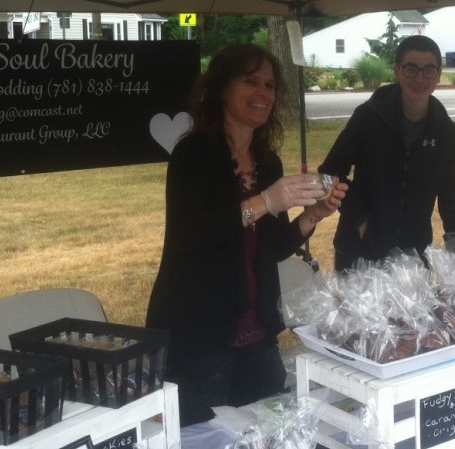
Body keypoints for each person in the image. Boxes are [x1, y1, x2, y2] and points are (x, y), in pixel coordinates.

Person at [147, 43, 346, 425]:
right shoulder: (193, 155)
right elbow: (190, 237)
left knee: (269, 433)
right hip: (200, 333)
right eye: (251, 81)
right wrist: (264, 201)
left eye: (270, 85)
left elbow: (271, 248)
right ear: (222, 88)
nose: (263, 93)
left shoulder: (267, 161)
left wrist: (312, 215)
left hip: (258, 331)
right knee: (204, 442)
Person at [319, 35, 455, 272]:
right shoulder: (368, 117)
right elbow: (329, 173)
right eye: (411, 69)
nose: (420, 78)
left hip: (412, 256)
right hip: (358, 249)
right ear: (397, 71)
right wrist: (358, 217)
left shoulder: (446, 133)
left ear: (439, 75)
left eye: (429, 70)